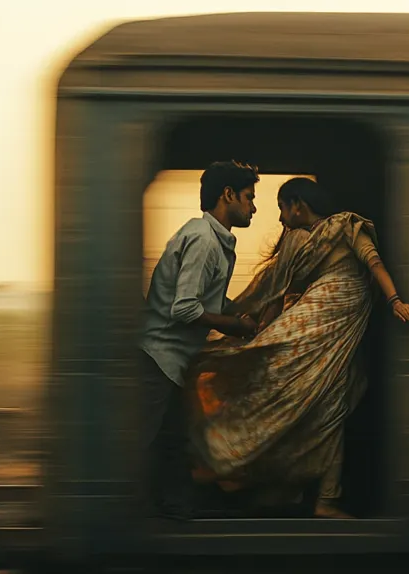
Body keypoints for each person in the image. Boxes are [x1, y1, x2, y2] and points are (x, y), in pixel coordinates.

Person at [185, 177, 409, 519]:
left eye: (282, 208)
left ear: (298, 205)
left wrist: (395, 300)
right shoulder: (298, 243)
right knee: (270, 371)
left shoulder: (344, 226)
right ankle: (225, 456)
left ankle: (326, 500)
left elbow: (374, 263)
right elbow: (277, 292)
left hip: (340, 334)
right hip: (313, 325)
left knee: (332, 411)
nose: (280, 217)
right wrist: (258, 332)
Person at [138, 160, 260, 519]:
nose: (254, 207)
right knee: (146, 439)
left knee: (173, 438)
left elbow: (211, 301)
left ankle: (171, 511)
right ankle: (130, 515)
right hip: (159, 357)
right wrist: (234, 325)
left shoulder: (213, 239)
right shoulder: (205, 241)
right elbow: (185, 308)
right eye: (249, 197)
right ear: (228, 195)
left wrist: (245, 310)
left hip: (170, 360)